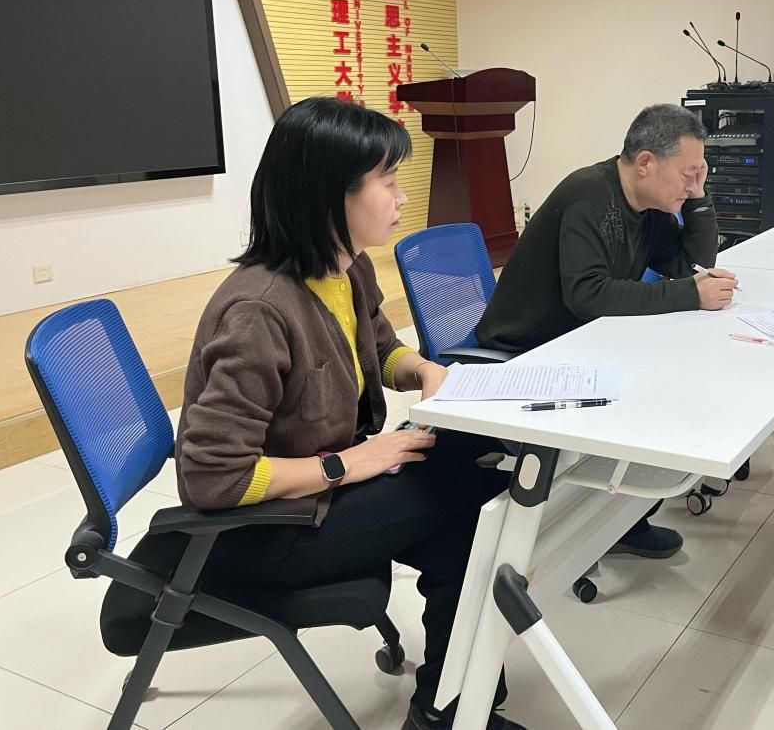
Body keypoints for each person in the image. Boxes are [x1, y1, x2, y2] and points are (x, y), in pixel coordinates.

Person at [174, 97, 523, 730]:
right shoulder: (258, 312)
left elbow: (378, 348)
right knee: (479, 485)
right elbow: (212, 477)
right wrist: (350, 463)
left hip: (328, 494)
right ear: (328, 196)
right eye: (387, 181)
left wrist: (422, 370)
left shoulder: (346, 268)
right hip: (267, 531)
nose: (402, 198)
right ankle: (453, 708)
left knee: (472, 521)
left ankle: (451, 709)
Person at [476, 103, 738, 557]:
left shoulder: (647, 203)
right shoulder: (590, 197)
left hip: (583, 339)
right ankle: (607, 522)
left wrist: (698, 198)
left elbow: (688, 264)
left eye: (700, 173)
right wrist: (690, 295)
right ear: (645, 162)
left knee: (673, 375)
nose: (693, 183)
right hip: (529, 350)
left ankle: (623, 518)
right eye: (688, 174)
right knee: (655, 389)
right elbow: (589, 295)